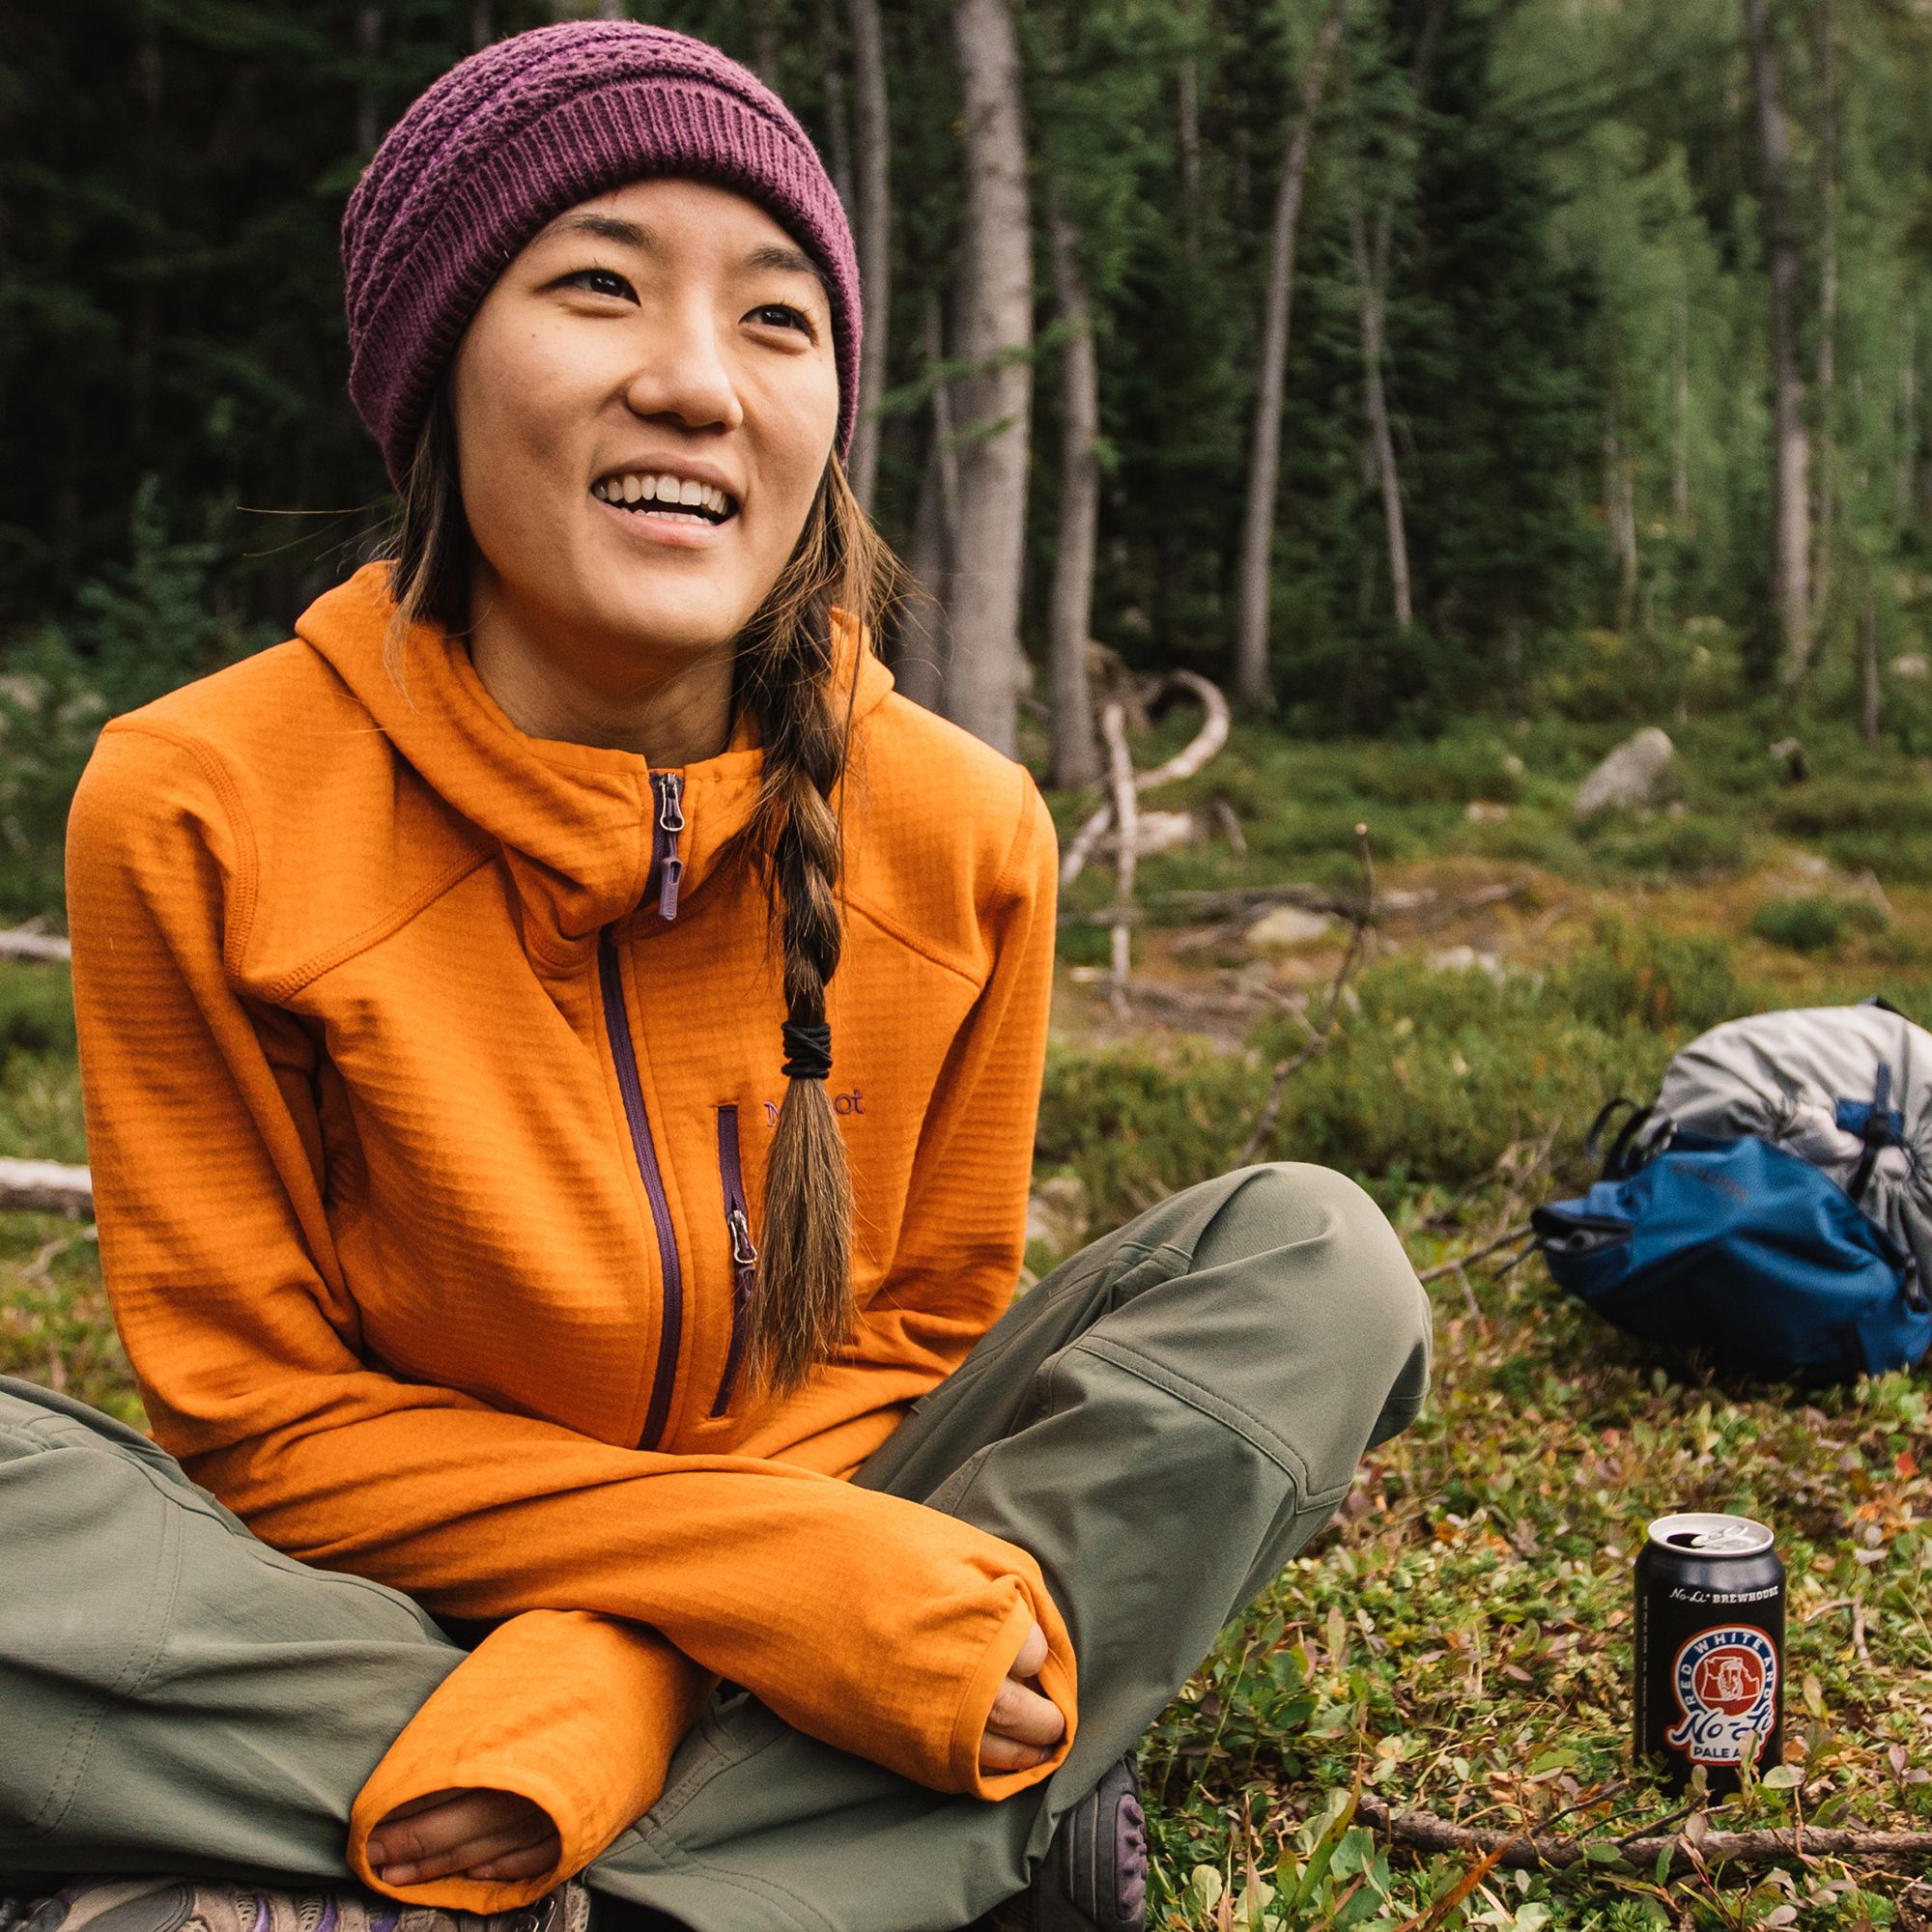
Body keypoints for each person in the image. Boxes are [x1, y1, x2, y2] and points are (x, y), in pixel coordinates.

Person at [0, 21, 1432, 1932]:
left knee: (1314, 1261)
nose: (693, 380)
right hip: (367, 1590)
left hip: (843, 1547)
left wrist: (639, 1653)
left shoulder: (963, 829)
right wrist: (781, 1601)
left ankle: (481, 1847)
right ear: (437, 369)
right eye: (597, 285)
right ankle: (889, 1841)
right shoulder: (201, 803)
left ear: (831, 404)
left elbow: (918, 1349)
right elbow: (268, 1422)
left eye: (777, 322)